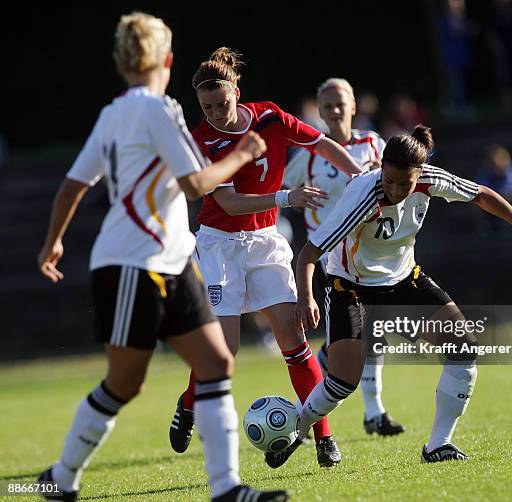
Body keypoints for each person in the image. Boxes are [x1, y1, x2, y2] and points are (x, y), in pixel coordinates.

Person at [35, 13, 287, 502]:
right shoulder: (159, 110)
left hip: (171, 262)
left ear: (121, 63)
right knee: (124, 383)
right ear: (167, 61)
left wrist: (53, 241)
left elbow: (72, 186)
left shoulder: (112, 114)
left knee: (216, 361)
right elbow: (196, 185)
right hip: (134, 262)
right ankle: (59, 479)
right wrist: (242, 153)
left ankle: (227, 489)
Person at [269, 125, 512, 468]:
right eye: (389, 180)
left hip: (404, 280)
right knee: (344, 380)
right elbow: (309, 253)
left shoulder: (432, 180)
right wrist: (306, 298)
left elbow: (479, 194)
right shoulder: (363, 195)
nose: (396, 189)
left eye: (404, 183)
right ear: (381, 168)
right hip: (350, 286)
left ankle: (439, 444)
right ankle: (295, 429)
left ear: (418, 175)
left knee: (464, 348)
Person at [168, 48, 363, 469]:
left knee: (294, 342)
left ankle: (324, 438)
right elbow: (231, 203)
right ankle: (188, 406)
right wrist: (285, 197)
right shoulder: (200, 142)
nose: (216, 112)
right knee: (226, 351)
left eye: (222, 102)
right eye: (207, 107)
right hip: (220, 245)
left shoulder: (270, 117)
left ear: (237, 92)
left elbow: (323, 144)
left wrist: (361, 178)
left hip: (265, 241)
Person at [284, 78, 404, 436]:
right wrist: (292, 197)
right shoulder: (307, 155)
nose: (335, 111)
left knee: (364, 335)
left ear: (354, 106)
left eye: (341, 104)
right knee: (364, 334)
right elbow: (280, 188)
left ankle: (365, 411)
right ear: (319, 112)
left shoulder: (374, 144)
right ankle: (371, 412)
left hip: (372, 251)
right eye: (327, 106)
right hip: (331, 257)